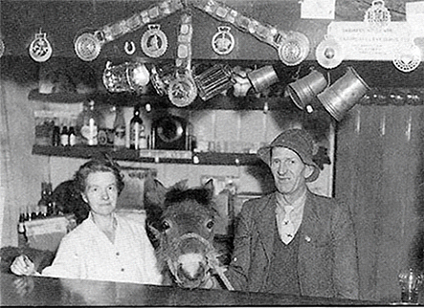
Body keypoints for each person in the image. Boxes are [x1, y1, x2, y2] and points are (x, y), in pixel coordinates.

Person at [223, 128, 359, 299]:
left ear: (307, 170)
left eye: (291, 162)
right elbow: (238, 276)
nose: (282, 170)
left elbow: (347, 287)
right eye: (276, 162)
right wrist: (207, 281)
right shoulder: (252, 211)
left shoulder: (334, 214)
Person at [10, 157, 162, 285]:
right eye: (95, 189)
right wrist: (29, 272)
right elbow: (55, 284)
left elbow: (155, 280)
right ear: (84, 196)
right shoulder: (74, 241)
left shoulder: (136, 231)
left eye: (110, 188)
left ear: (117, 191)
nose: (105, 196)